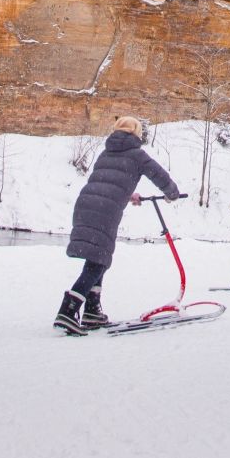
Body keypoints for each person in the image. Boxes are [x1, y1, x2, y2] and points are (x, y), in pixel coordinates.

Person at [59, 117, 180, 335]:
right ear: (136, 133)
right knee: (98, 261)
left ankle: (92, 310)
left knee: (98, 257)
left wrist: (128, 194)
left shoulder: (106, 152)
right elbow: (159, 176)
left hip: (86, 204)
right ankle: (68, 310)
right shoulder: (137, 154)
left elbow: (106, 180)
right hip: (106, 209)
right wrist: (172, 194)